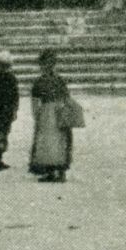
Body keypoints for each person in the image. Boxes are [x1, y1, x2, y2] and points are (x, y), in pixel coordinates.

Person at [28, 49, 78, 184]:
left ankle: (50, 171)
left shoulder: (39, 82)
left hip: (46, 113)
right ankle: (60, 171)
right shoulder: (60, 80)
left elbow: (34, 102)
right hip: (59, 111)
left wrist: (36, 116)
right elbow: (67, 98)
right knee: (61, 142)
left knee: (47, 143)